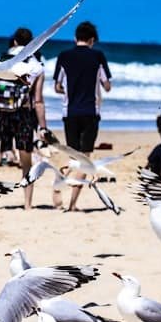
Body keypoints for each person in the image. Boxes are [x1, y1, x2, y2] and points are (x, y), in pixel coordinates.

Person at [0, 27, 47, 210]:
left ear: (14, 42)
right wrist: (42, 126)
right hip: (23, 115)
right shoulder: (35, 64)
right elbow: (38, 100)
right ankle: (27, 204)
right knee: (25, 160)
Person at [54, 20, 112, 211]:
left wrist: (69, 91)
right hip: (90, 112)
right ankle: (72, 204)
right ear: (92, 40)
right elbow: (107, 85)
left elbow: (57, 87)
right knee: (85, 159)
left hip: (69, 112)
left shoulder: (64, 55)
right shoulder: (97, 56)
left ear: (75, 38)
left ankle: (58, 184)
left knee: (72, 155)